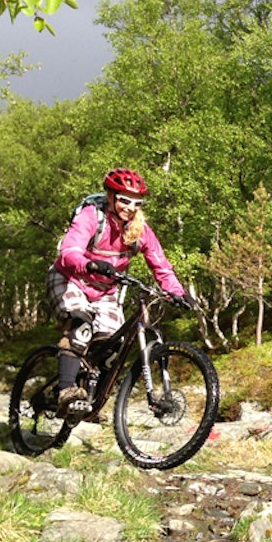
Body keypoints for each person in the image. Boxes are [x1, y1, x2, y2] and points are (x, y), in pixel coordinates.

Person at [47, 168, 194, 415]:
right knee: (80, 326)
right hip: (69, 278)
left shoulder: (140, 230)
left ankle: (90, 400)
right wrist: (89, 263)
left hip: (104, 292)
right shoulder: (91, 216)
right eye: (124, 200)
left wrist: (177, 292)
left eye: (136, 203)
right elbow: (70, 250)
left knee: (111, 349)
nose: (130, 207)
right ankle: (66, 390)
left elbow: (161, 265)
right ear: (111, 196)